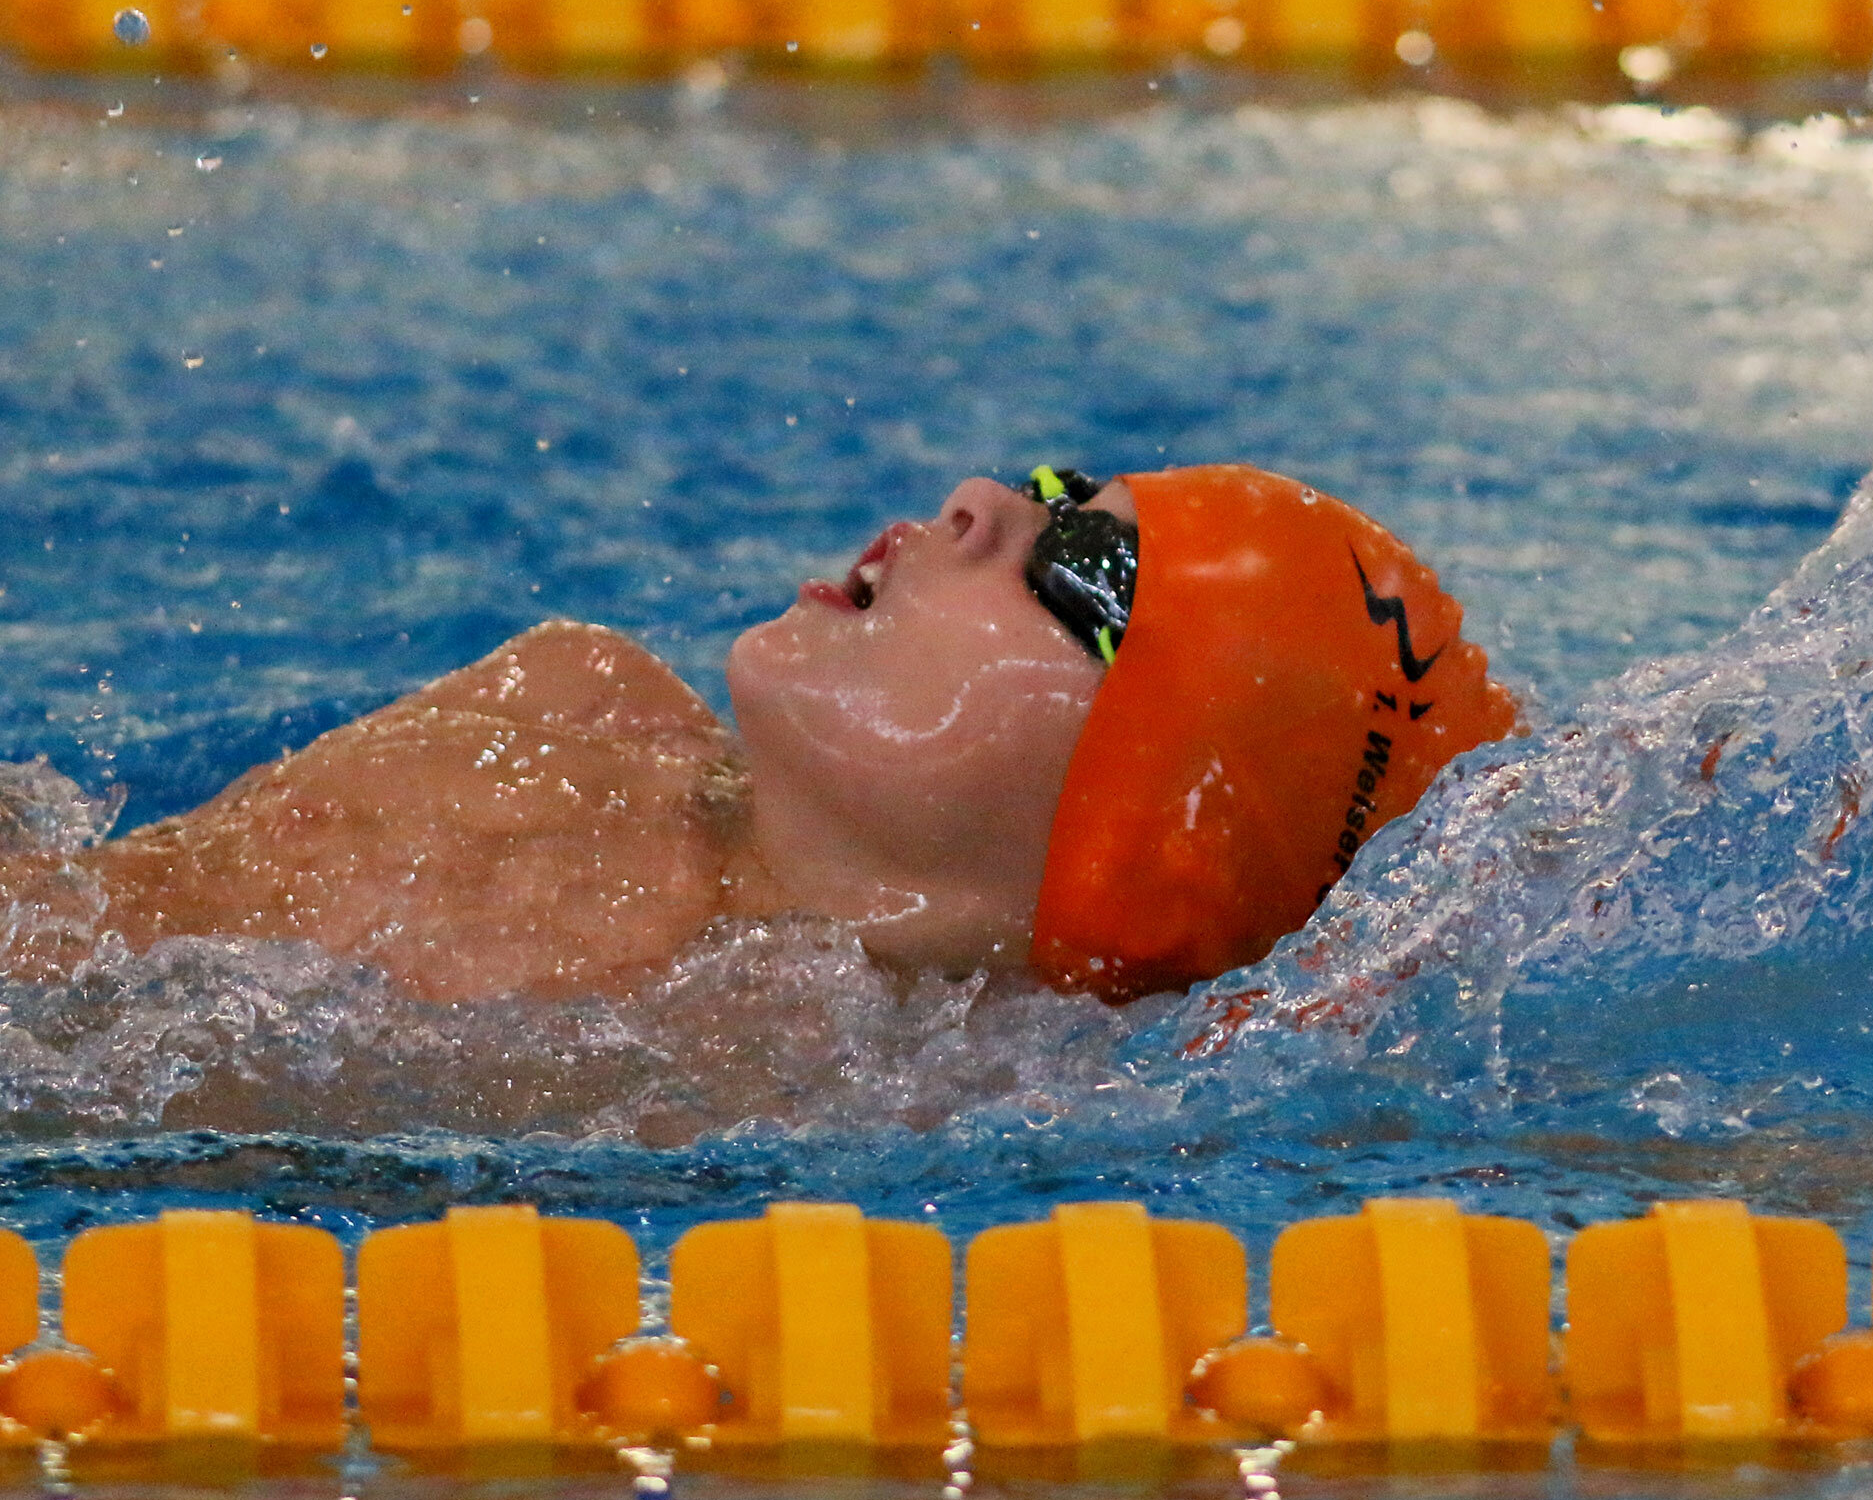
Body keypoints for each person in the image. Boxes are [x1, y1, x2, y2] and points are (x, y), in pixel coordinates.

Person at [0, 466, 1517, 1006]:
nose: (978, 498)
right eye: (1055, 482)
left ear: (1142, 848)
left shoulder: (827, 1085)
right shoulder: (564, 689)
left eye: (1082, 577)